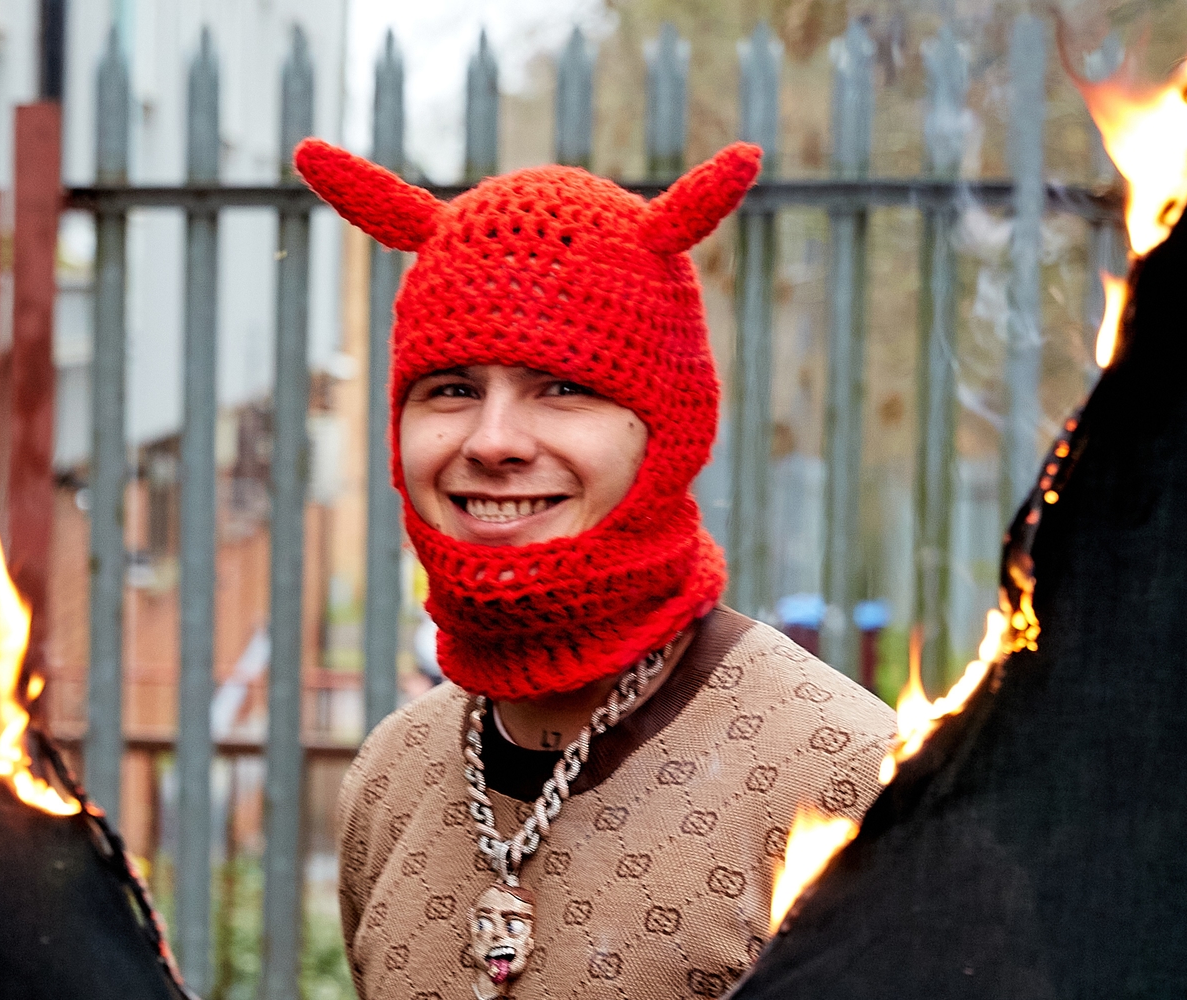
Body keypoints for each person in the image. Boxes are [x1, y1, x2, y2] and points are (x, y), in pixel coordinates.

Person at [294, 137, 895, 1000]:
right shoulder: (393, 777)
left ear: (667, 430)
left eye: (562, 385)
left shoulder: (842, 775)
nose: (493, 441)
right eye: (452, 388)